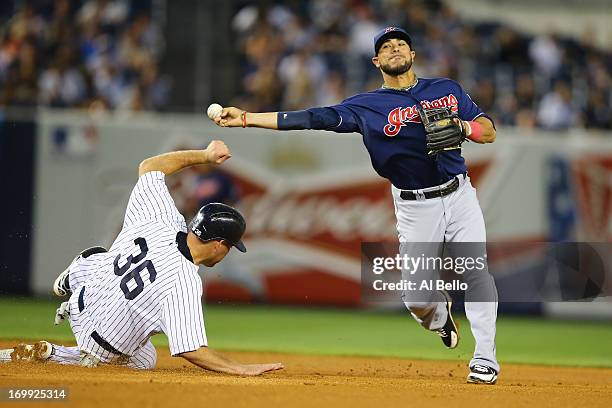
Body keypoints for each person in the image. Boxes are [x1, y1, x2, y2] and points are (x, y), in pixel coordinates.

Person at [213, 27, 499, 384]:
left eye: (401, 44)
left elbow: (489, 130)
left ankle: (485, 359)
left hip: (459, 194)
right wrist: (247, 118)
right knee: (416, 298)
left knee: (476, 271)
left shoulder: (447, 89)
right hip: (415, 205)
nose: (395, 49)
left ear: (412, 55)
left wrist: (464, 128)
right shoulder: (366, 107)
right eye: (386, 47)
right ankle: (439, 319)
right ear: (377, 60)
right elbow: (312, 118)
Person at [0, 140, 283, 376]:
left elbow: (149, 167)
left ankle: (77, 271)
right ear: (219, 244)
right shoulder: (183, 282)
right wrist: (241, 369)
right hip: (100, 342)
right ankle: (59, 355)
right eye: (232, 246)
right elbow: (191, 349)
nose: (229, 252)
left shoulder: (162, 219)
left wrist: (205, 155)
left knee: (105, 257)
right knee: (144, 359)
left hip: (83, 301)